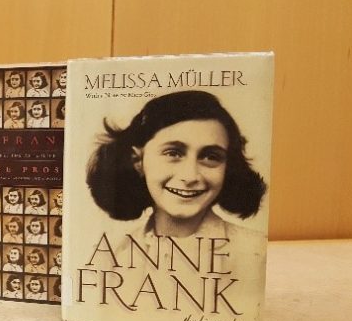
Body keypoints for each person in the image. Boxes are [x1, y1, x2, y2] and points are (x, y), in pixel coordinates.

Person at [86, 90, 267, 243]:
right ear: (138, 161)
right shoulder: (112, 256)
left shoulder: (253, 251)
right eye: (173, 153)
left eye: (211, 157)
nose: (190, 176)